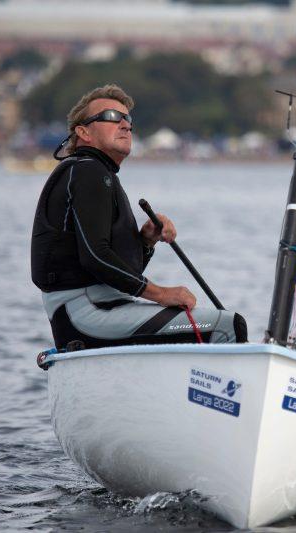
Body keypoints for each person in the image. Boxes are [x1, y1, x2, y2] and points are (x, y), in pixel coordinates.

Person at [31, 84, 247, 349]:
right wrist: (161, 294)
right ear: (83, 132)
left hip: (105, 307)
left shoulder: (97, 174)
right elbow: (95, 257)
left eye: (127, 119)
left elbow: (115, 271)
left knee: (216, 323)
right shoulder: (87, 171)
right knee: (228, 326)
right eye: (111, 117)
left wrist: (145, 242)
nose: (124, 125)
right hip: (86, 313)